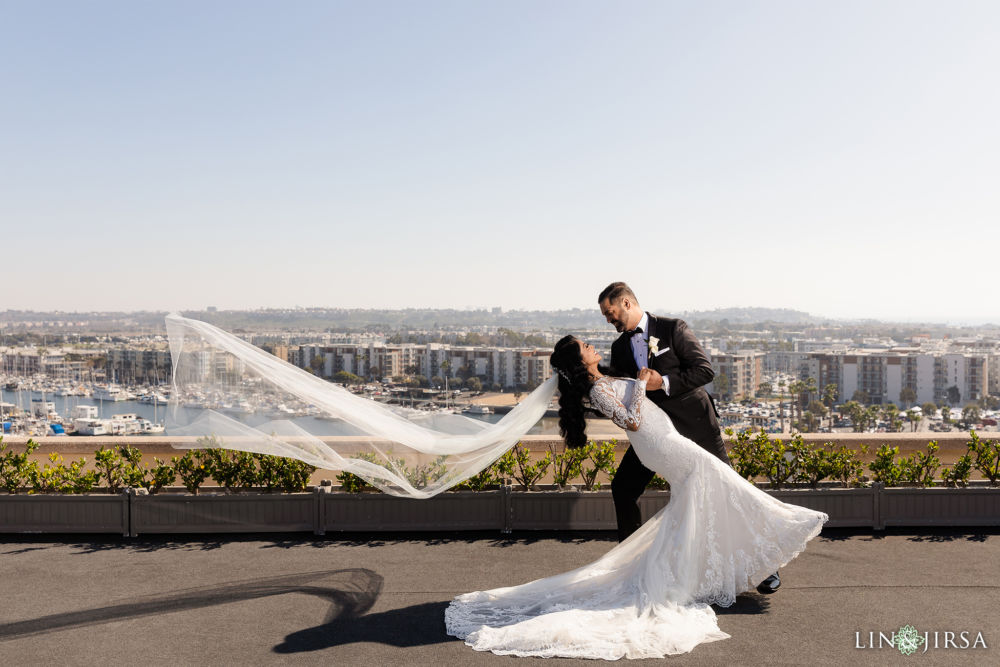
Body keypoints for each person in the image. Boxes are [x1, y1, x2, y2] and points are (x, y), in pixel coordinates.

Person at [444, 336, 827, 659]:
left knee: (703, 499)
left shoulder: (601, 380)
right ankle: (776, 535)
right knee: (723, 483)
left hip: (666, 442)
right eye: (585, 346)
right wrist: (642, 386)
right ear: (579, 361)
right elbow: (631, 420)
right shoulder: (596, 389)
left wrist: (642, 383)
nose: (593, 346)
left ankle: (721, 569)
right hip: (663, 445)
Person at [598, 281, 781, 595]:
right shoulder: (618, 348)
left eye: (611, 313)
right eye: (605, 316)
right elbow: (620, 390)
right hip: (656, 436)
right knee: (623, 488)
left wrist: (663, 382)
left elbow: (704, 371)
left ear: (627, 302)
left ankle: (765, 568)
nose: (609, 320)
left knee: (729, 491)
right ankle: (630, 566)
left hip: (696, 426)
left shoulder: (672, 329)